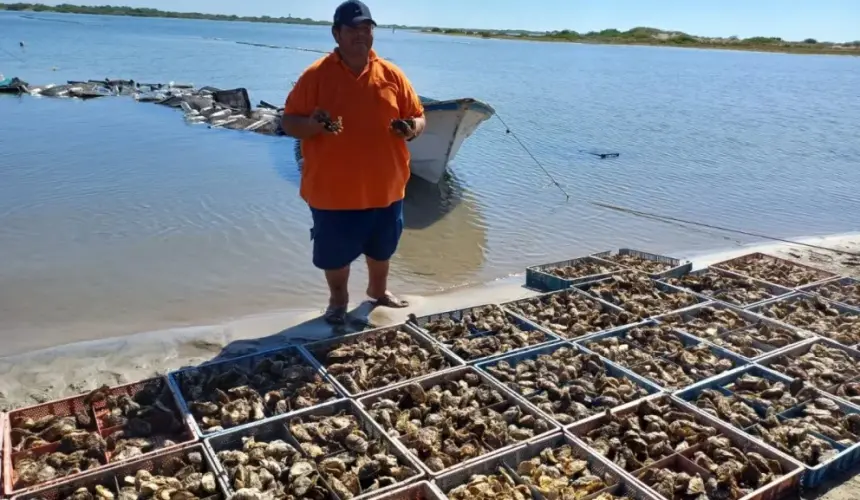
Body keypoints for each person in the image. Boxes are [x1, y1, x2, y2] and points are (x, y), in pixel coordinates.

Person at [281, 0, 426, 325]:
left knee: (382, 248)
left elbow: (418, 116)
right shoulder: (315, 76)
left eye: (366, 29)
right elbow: (289, 122)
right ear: (336, 33)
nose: (361, 35)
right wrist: (313, 126)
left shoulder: (391, 74)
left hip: (386, 188)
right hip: (332, 191)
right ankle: (338, 301)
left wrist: (411, 129)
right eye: (353, 29)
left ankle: (378, 293)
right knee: (334, 255)